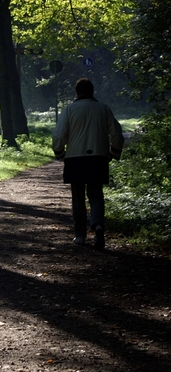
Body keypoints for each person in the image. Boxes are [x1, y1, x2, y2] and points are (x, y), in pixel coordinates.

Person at [52, 77, 124, 250]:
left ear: (76, 92)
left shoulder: (69, 110)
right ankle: (97, 224)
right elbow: (117, 134)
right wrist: (113, 153)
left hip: (75, 158)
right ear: (92, 91)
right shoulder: (103, 109)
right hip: (98, 157)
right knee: (96, 195)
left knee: (78, 198)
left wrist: (59, 152)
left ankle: (80, 235)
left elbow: (58, 135)